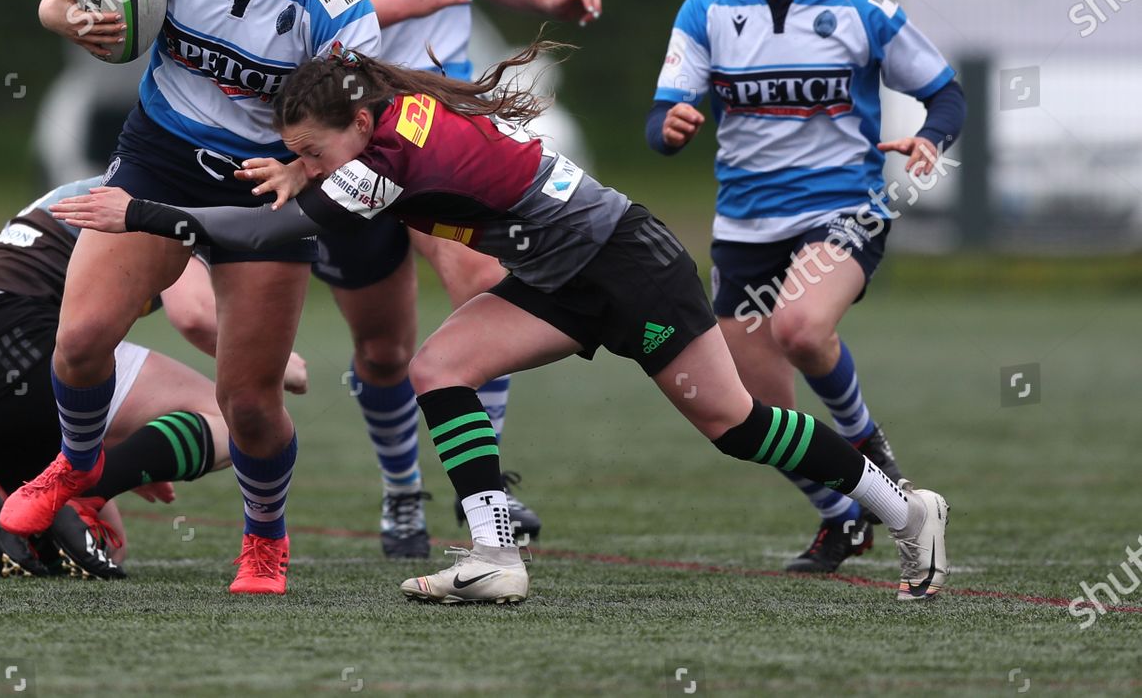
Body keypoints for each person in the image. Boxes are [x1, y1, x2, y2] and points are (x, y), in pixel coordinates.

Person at [50, 45, 952, 606]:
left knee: (737, 425)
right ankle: (496, 557)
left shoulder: (394, 157)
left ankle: (905, 507)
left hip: (627, 266)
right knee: (440, 368)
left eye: (314, 152)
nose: (309, 168)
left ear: (358, 125)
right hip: (564, 269)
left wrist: (143, 214)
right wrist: (299, 167)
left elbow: (278, 232)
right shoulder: (380, 128)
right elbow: (308, 189)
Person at [0, 0, 381, 597]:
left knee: (247, 402)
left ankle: (265, 543)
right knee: (82, 341)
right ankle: (76, 470)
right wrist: (69, 18)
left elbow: (360, 122)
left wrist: (303, 174)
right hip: (162, 154)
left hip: (266, 183)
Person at [297, 0, 603, 556]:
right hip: (355, 135)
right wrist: (407, 1)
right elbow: (312, 23)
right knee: (384, 346)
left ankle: (484, 492)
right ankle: (403, 493)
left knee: (487, 289)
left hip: (441, 126)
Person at [647, 0, 966, 572]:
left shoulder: (861, 8)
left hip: (841, 209)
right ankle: (840, 514)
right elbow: (662, 117)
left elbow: (947, 93)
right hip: (743, 227)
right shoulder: (709, 7)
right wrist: (669, 127)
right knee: (740, 411)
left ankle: (868, 446)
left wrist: (929, 137)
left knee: (800, 326)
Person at [0, 176, 309, 579]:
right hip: (19, 344)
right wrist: (278, 366)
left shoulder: (96, 186)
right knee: (235, 415)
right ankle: (91, 485)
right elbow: (195, 314)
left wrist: (142, 451)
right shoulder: (166, 188)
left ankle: (7, 514)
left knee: (110, 545)